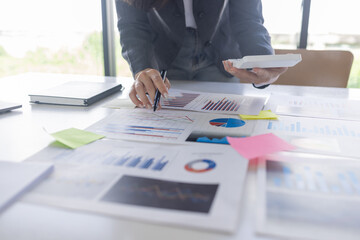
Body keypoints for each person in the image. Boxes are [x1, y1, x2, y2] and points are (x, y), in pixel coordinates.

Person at [115, 0, 287, 109]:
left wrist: (261, 63)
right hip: (164, 57)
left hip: (219, 54)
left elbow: (248, 18)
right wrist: (142, 68)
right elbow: (132, 24)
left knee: (225, 123)